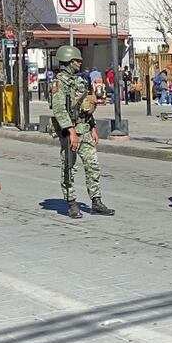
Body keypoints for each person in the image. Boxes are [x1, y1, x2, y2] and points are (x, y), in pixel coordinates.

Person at [50, 46, 115, 219]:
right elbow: (59, 110)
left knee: (93, 165)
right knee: (69, 168)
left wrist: (92, 127)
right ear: (67, 62)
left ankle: (96, 201)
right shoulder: (59, 83)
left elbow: (85, 107)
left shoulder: (80, 81)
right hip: (69, 132)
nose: (80, 63)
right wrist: (71, 132)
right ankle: (71, 203)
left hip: (84, 129)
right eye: (76, 61)